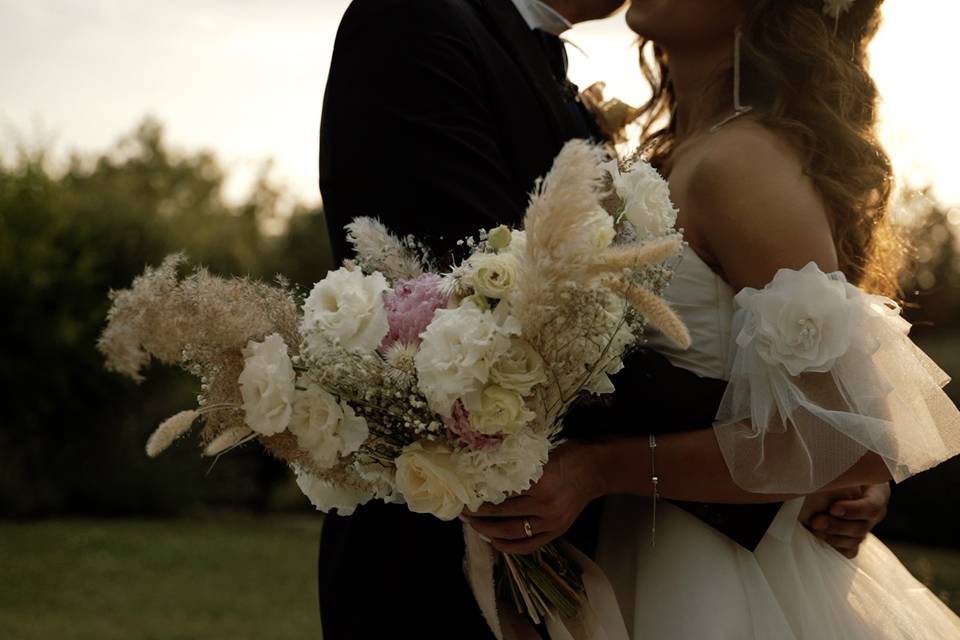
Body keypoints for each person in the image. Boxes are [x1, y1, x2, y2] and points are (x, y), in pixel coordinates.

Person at [318, 0, 890, 637]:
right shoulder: (661, 152)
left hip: (703, 576)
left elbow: (850, 430)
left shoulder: (744, 163)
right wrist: (794, 471)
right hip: (603, 549)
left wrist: (809, 466)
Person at [462, 0, 960, 637]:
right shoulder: (677, 152)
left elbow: (855, 438)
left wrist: (598, 470)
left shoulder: (743, 164)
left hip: (721, 578)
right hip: (637, 547)